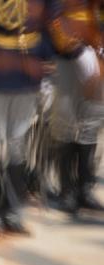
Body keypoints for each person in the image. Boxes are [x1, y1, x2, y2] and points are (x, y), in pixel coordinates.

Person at [0, 0, 88, 235]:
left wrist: (69, 56)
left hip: (29, 77)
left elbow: (52, 25)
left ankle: (13, 214)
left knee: (17, 148)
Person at [48, 0, 104, 215]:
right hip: (68, 60)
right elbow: (53, 19)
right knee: (66, 125)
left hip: (96, 59)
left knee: (90, 126)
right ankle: (66, 192)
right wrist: (77, 51)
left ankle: (84, 189)